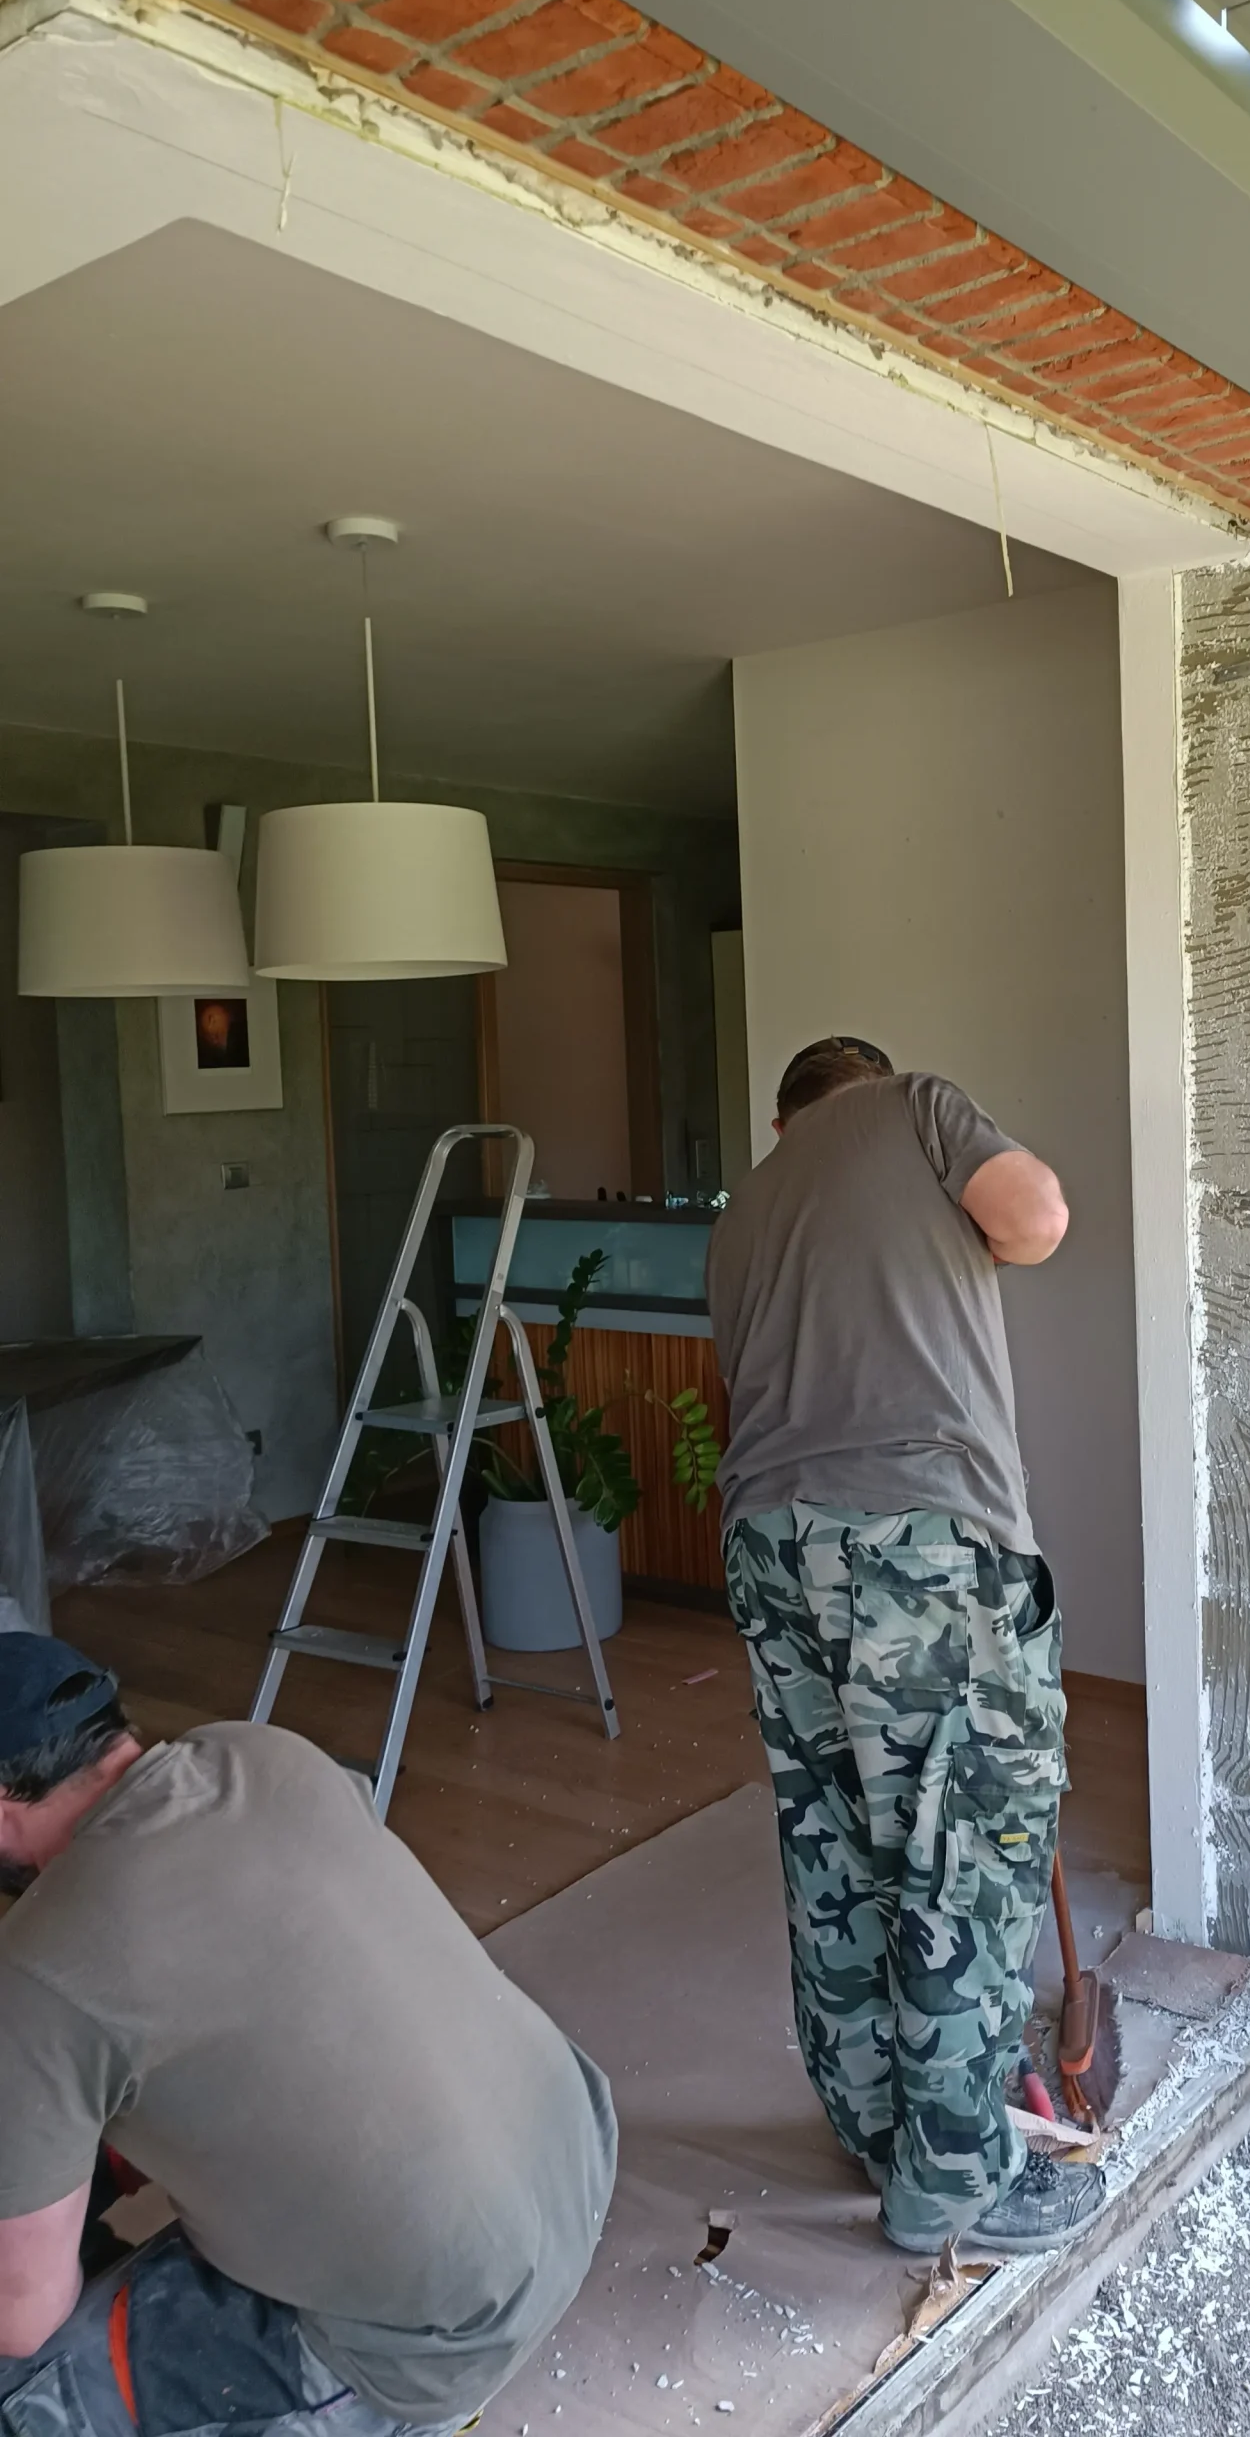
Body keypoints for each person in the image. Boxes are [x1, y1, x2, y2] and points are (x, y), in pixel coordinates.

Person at [0, 1636, 616, 2435]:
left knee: (25, 2389)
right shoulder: (255, 1751)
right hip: (569, 2178)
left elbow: (22, 2317)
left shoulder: (41, 1961)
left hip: (428, 2340)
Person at [704, 1034, 1105, 2257]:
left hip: (768, 1544)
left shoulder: (745, 1213)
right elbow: (1037, 1217)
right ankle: (956, 2183)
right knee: (962, 1846)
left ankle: (877, 2125)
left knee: (832, 1842)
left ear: (785, 1125)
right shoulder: (913, 1106)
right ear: (867, 1084)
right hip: (915, 1546)